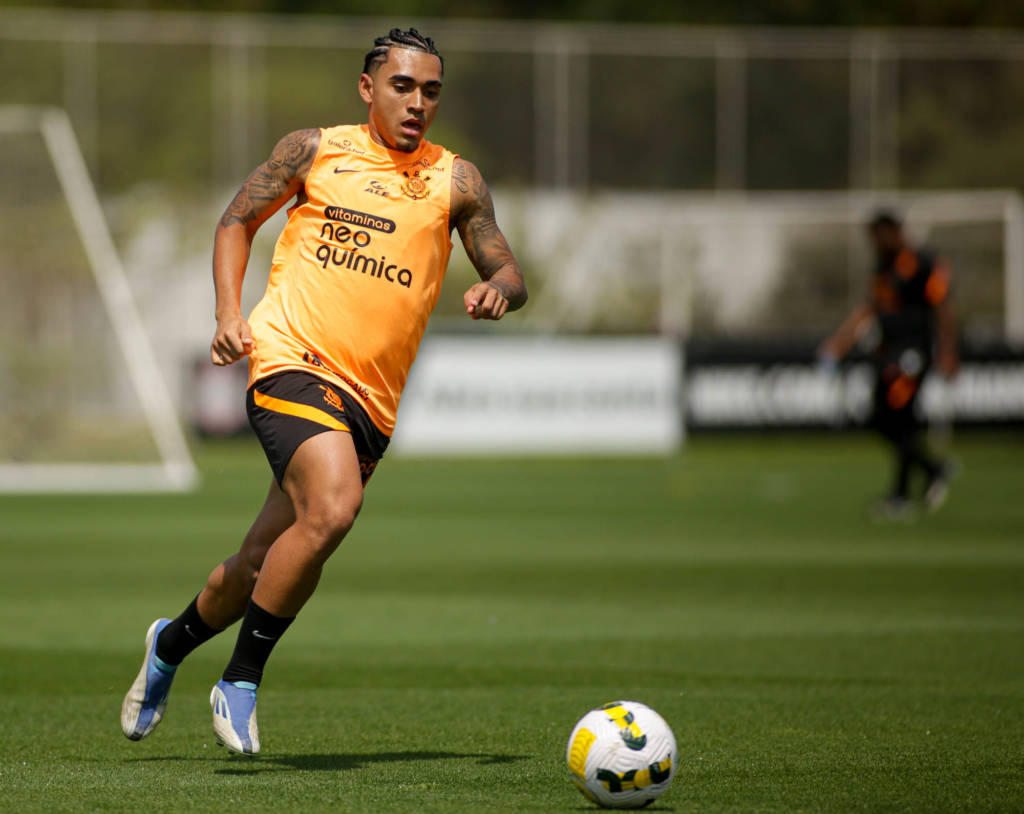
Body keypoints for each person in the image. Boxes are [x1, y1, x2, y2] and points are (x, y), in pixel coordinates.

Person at [121, 28, 526, 755]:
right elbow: (236, 221)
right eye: (402, 86)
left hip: (372, 403)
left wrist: (499, 288)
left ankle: (169, 646)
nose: (418, 102)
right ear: (367, 88)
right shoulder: (313, 150)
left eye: (431, 91)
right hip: (289, 359)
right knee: (335, 507)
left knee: (261, 561)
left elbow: (509, 270)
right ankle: (240, 680)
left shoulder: (456, 181)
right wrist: (228, 313)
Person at [819, 210, 957, 519]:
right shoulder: (882, 267)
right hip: (888, 355)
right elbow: (869, 309)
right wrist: (840, 343)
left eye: (879, 235)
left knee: (898, 418)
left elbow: (943, 309)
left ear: (895, 232)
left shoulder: (922, 263)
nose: (875, 242)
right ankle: (929, 471)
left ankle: (904, 493)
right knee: (884, 419)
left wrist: (948, 351)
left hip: (912, 357)